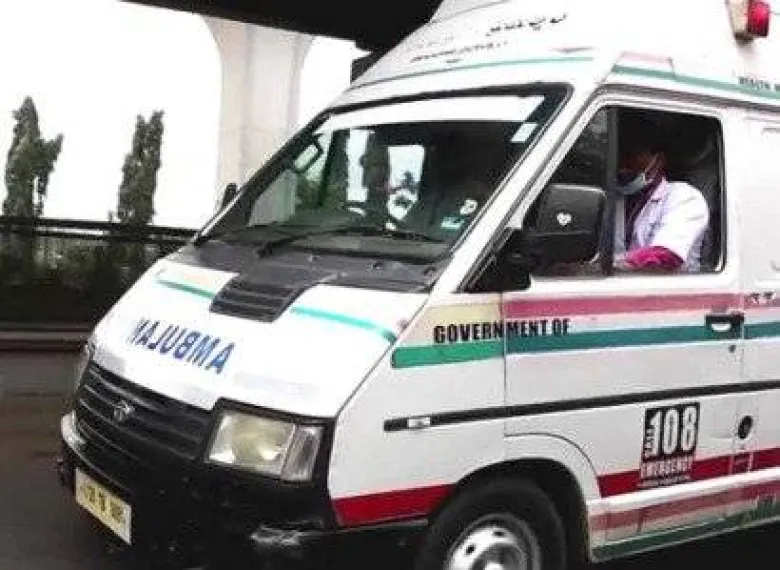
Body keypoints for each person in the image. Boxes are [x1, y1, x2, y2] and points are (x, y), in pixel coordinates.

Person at [612, 111, 710, 273]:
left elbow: (666, 256)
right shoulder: (613, 200)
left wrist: (608, 266)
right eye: (620, 154)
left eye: (633, 155)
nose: (624, 164)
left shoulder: (684, 197)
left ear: (658, 160)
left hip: (674, 288)